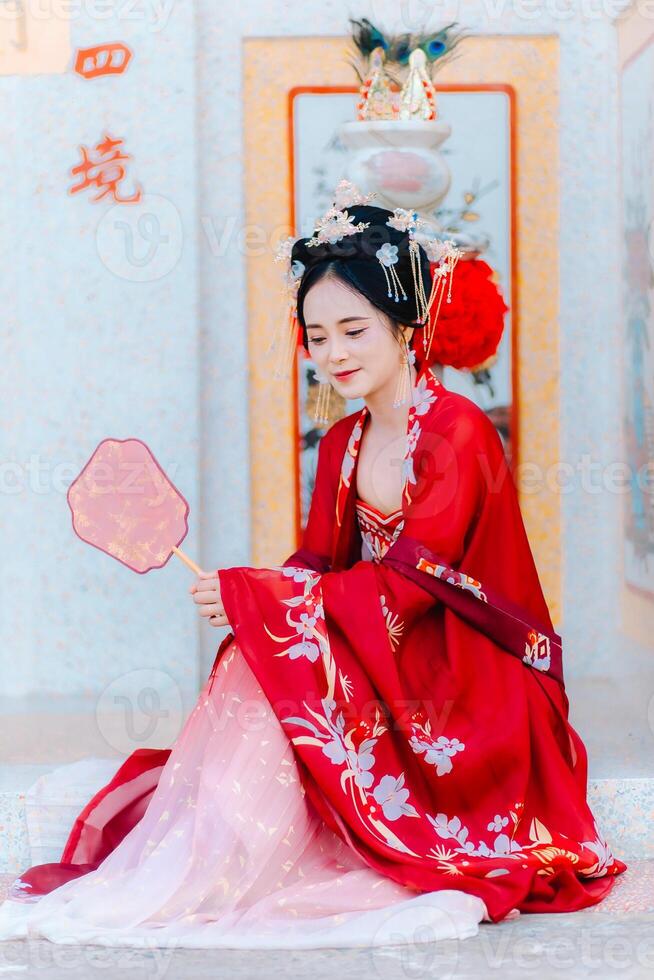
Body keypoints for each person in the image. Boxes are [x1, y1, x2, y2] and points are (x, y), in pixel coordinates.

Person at [0, 183, 625, 949]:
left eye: (353, 331)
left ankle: (245, 848)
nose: (333, 355)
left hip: (465, 669)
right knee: (258, 648)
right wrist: (258, 596)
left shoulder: (457, 434)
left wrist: (267, 602)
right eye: (318, 336)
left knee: (275, 629)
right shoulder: (343, 443)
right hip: (391, 643)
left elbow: (411, 587)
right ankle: (232, 853)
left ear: (405, 325)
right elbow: (320, 561)